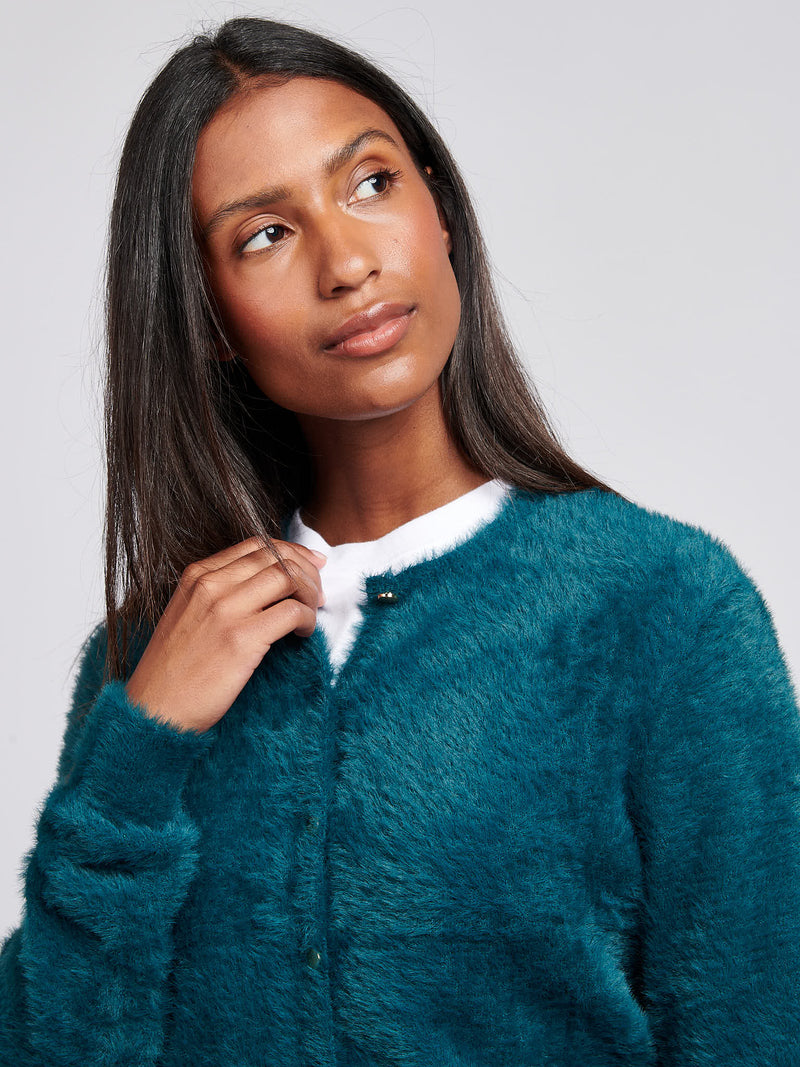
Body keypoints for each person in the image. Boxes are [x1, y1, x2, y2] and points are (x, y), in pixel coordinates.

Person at [1, 15, 798, 1066]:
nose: (346, 263)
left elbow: (754, 1023)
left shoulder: (663, 607)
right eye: (264, 235)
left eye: (370, 183)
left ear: (440, 212)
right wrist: (137, 748)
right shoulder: (143, 661)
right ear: (210, 320)